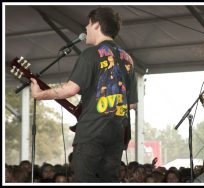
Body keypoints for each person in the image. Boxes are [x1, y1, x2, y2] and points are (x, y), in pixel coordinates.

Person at [30, 6, 138, 182]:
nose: (86, 29)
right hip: (117, 134)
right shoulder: (128, 58)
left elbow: (70, 89)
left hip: (92, 133)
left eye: (88, 24)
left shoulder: (90, 55)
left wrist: (39, 94)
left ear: (96, 24)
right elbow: (132, 104)